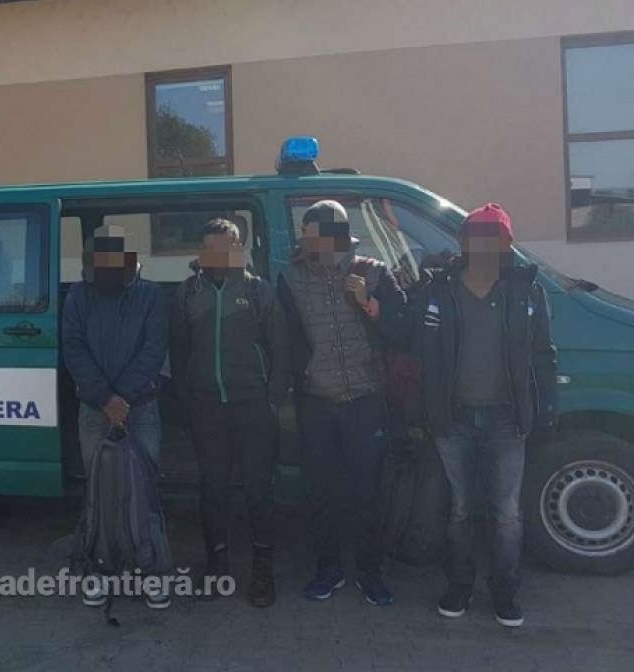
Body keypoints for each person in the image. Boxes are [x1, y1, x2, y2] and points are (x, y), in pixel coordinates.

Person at [407, 203, 556, 627]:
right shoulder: (440, 289)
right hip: (453, 420)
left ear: (507, 244)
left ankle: (505, 593)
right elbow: (414, 345)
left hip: (507, 421)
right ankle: (459, 587)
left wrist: (545, 408)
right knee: (460, 509)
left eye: (497, 238)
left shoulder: (526, 292)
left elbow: (543, 354)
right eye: (478, 237)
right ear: (464, 242)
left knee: (506, 513)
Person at [277, 200, 407, 606]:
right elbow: (286, 340)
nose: (313, 245)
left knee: (368, 492)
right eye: (308, 238)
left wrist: (370, 303)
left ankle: (370, 572)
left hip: (366, 399)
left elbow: (403, 330)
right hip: (317, 401)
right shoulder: (291, 279)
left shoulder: (374, 272)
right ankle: (328, 569)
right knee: (320, 492)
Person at [170, 219, 289, 607]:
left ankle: (262, 570)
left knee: (258, 490)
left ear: (238, 249)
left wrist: (272, 400)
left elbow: (281, 349)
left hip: (253, 407)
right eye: (211, 248)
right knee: (213, 489)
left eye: (225, 248)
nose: (218, 256)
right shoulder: (187, 293)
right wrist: (188, 401)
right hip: (207, 409)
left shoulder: (258, 291)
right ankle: (216, 565)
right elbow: (178, 352)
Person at [62, 225, 169, 609]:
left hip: (141, 407)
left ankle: (151, 571)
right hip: (95, 408)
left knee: (145, 489)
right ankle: (99, 570)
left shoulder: (150, 295)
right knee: (98, 491)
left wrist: (122, 397)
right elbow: (73, 348)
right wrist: (106, 398)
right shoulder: (78, 295)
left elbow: (154, 348)